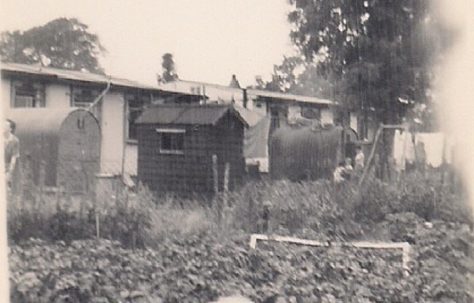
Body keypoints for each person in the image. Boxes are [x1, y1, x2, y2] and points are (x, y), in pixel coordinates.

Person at [4, 119, 20, 194]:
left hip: (8, 167)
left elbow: (14, 157)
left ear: (10, 129)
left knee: (7, 188)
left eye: (5, 126)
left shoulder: (14, 141)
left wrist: (10, 171)